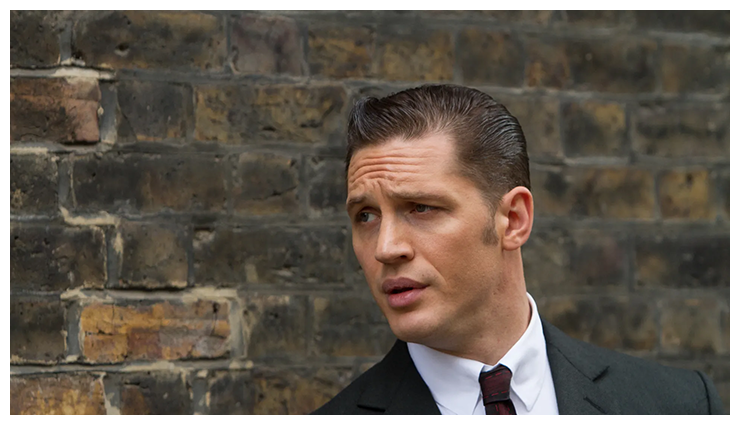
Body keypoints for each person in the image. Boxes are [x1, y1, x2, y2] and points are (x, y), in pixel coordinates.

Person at [313, 84, 724, 415]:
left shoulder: (679, 404)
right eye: (366, 216)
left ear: (513, 219)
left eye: (421, 208)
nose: (386, 248)